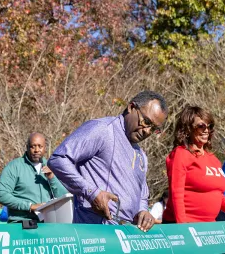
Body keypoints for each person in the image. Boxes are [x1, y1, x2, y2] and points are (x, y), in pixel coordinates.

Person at [49, 91, 167, 232]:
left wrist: (143, 211)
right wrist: (92, 193)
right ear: (131, 107)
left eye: (154, 129)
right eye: (146, 122)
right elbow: (59, 159)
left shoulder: (141, 155)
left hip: (127, 235)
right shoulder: (102, 129)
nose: (147, 131)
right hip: (94, 235)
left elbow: (142, 193)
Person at [163, 105, 225, 225]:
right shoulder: (181, 154)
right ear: (188, 129)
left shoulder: (213, 160)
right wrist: (182, 227)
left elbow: (217, 195)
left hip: (208, 227)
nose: (206, 130)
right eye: (201, 126)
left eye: (209, 126)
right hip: (184, 224)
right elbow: (176, 193)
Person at [0, 132, 69, 222]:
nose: (36, 150)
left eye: (40, 146)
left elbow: (64, 197)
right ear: (27, 147)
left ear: (45, 147)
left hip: (48, 224)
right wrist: (29, 206)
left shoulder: (51, 166)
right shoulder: (14, 167)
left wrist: (52, 177)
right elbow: (2, 195)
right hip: (21, 224)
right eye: (33, 146)